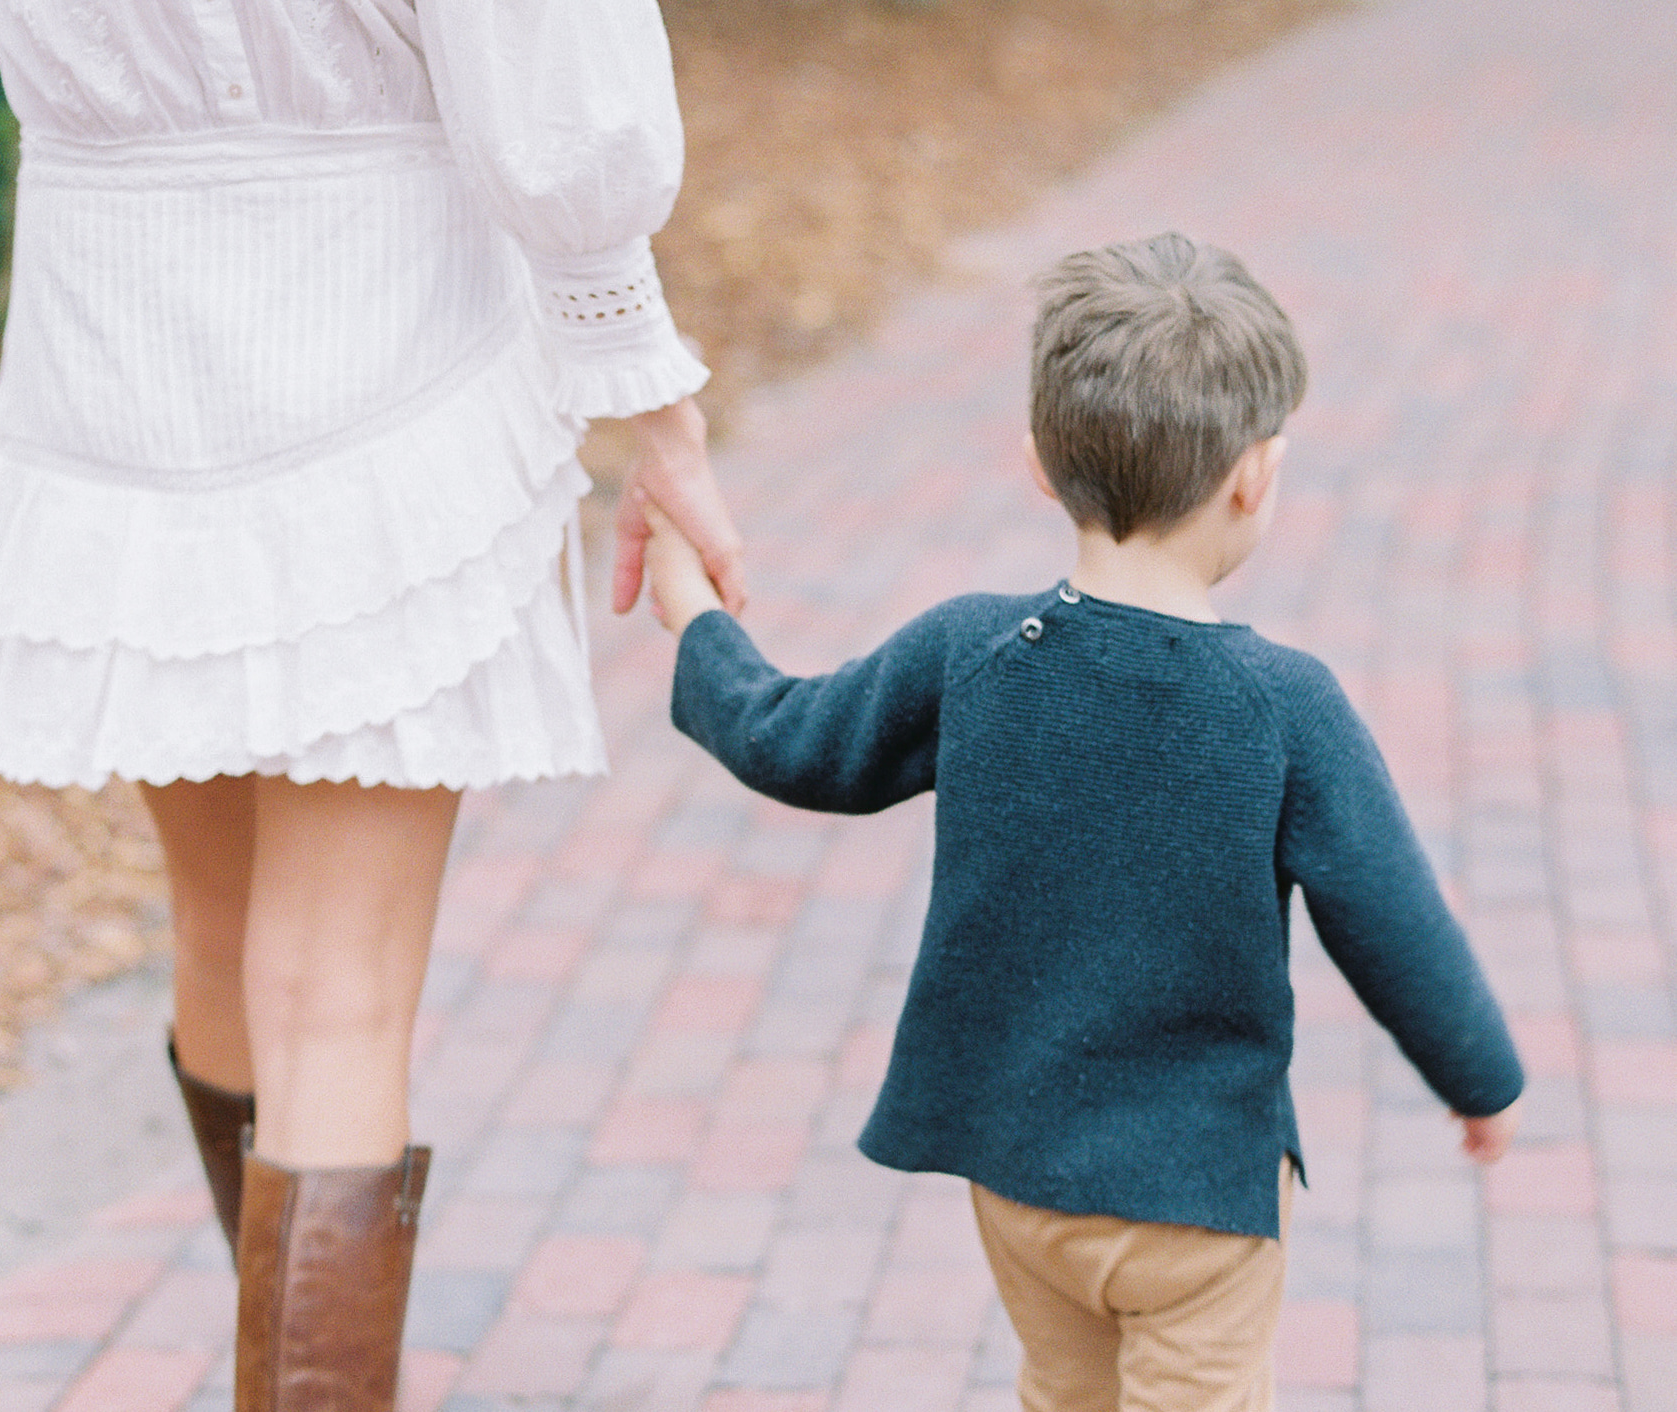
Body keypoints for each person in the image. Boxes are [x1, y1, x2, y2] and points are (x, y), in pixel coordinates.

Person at [0, 3, 742, 1408]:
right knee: (333, 998)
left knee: (228, 932)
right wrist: (652, 403)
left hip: (113, 346)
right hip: (381, 329)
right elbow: (547, 84)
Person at [640, 232, 1525, 1412]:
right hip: (1199, 1199)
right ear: (1255, 477)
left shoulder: (971, 652)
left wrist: (695, 615)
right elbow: (1392, 915)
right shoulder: (1286, 705)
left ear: (1039, 467)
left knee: (1065, 1393)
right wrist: (1482, 1079)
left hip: (1020, 1181)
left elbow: (790, 739)